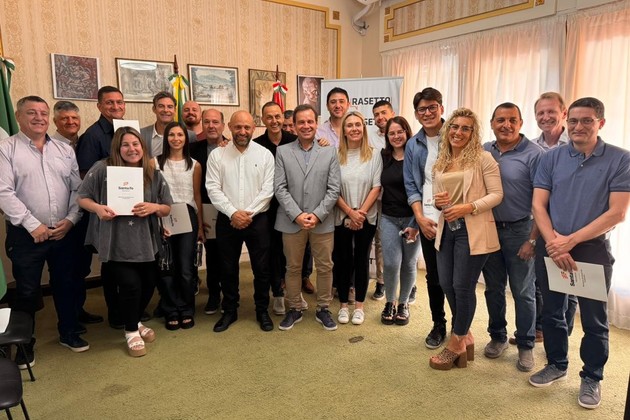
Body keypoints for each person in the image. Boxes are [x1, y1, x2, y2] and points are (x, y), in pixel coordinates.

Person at [529, 97, 630, 410]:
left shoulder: (620, 159)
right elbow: (538, 205)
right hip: (552, 244)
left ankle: (592, 376)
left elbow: (617, 213)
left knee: (594, 319)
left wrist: (569, 242)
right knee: (552, 312)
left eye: (587, 120)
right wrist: (554, 243)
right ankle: (557, 364)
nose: (578, 127)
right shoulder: (551, 158)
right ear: (566, 121)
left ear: (600, 123)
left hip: (590, 248)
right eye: (573, 121)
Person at [0, 96, 87, 365]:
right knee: (27, 291)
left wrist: (71, 219)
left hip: (63, 231)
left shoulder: (64, 149)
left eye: (43, 113)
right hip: (26, 235)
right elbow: (3, 192)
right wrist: (32, 224)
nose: (38, 118)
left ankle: (69, 333)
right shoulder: (6, 149)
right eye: (31, 113)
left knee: (66, 284)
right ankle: (25, 345)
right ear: (18, 116)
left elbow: (77, 189)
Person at [78, 126, 172, 357]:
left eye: (135, 144)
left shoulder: (152, 172)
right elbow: (82, 197)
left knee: (148, 285)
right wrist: (98, 208)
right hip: (115, 240)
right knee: (130, 285)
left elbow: (166, 207)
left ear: (143, 146)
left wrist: (154, 207)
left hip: (146, 240)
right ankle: (131, 331)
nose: (132, 149)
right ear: (117, 148)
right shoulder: (103, 168)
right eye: (125, 145)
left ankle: (135, 320)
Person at [429, 107, 503, 370]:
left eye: (465, 128)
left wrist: (468, 207)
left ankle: (457, 340)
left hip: (474, 230)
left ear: (473, 133)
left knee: (462, 286)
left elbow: (497, 195)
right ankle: (466, 334)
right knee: (446, 284)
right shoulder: (442, 161)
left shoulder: (483, 158)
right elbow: (438, 199)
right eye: (454, 126)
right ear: (447, 129)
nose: (458, 132)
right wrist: (438, 203)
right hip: (447, 229)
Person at [481, 103, 543, 372]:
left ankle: (526, 344)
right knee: (493, 288)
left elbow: (543, 202)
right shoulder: (484, 150)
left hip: (521, 230)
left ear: (520, 123)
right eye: (500, 120)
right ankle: (498, 336)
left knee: (523, 291)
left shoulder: (535, 154)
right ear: (492, 123)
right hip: (489, 228)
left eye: (512, 120)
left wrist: (533, 239)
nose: (506, 125)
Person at [206, 111, 275, 333]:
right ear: (229, 126)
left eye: (246, 127)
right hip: (227, 220)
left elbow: (268, 190)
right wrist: (233, 213)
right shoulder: (217, 155)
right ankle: (229, 310)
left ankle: (262, 310)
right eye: (238, 127)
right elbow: (212, 188)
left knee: (261, 268)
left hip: (258, 219)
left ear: (254, 128)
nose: (242, 131)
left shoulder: (265, 155)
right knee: (227, 268)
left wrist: (247, 214)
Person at [275, 104, 341, 331]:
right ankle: (294, 308)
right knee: (293, 267)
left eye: (310, 121)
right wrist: (297, 215)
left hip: (322, 221)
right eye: (301, 122)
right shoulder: (283, 152)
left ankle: (323, 308)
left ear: (316, 124)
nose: (306, 126)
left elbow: (334, 188)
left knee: (325, 267)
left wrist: (317, 214)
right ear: (294, 125)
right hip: (291, 221)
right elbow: (280, 188)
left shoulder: (329, 152)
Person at [253, 102, 314, 317]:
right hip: (268, 208)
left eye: (277, 116)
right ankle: (278, 293)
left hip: (295, 208)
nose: (274, 121)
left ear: (283, 117)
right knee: (273, 252)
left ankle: (295, 294)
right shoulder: (256, 145)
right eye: (269, 117)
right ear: (263, 120)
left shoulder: (294, 141)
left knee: (296, 254)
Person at [526, 92, 576, 344]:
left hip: (570, 226)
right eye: (540, 113)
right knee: (539, 281)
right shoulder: (533, 147)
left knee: (569, 284)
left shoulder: (577, 144)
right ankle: (540, 329)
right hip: (540, 222)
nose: (545, 117)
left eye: (551, 112)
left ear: (563, 113)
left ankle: (561, 337)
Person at [75, 86, 127, 329]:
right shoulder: (92, 135)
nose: (116, 107)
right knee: (110, 263)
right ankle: (116, 313)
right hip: (107, 210)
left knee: (126, 261)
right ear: (99, 106)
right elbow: (86, 176)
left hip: (128, 209)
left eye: (119, 102)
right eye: (109, 103)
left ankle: (129, 308)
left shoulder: (127, 130)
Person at [403, 87, 448, 348]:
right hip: (428, 220)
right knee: (434, 276)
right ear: (417, 114)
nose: (428, 113)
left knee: (457, 278)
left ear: (441, 108)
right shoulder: (413, 144)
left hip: (456, 218)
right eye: (422, 109)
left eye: (432, 107)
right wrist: (419, 219)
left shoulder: (456, 135)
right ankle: (438, 324)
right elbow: (412, 184)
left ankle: (462, 327)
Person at [52, 100, 104, 326]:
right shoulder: (49, 147)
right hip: (61, 217)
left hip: (83, 216)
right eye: (64, 118)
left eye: (74, 118)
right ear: (55, 121)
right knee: (65, 271)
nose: (70, 122)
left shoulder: (84, 142)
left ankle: (78, 310)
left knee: (81, 267)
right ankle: (68, 319)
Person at [333, 111, 382, 325]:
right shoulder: (335, 156)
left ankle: (359, 306)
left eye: (358, 125)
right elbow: (332, 189)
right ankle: (344, 305)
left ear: (363, 128)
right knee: (343, 261)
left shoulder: (374, 155)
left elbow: (376, 186)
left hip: (366, 217)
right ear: (343, 130)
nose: (354, 129)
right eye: (349, 125)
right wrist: (350, 212)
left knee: (362, 260)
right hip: (341, 215)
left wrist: (360, 213)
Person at [155, 122, 204, 330]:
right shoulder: (155, 163)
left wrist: (200, 226)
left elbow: (197, 195)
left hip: (187, 216)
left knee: (185, 267)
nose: (176, 139)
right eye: (172, 135)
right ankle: (170, 309)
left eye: (180, 135)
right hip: (163, 215)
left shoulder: (194, 165)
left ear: (186, 138)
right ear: (166, 138)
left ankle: (186, 308)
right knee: (167, 265)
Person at [379, 116, 421, 325]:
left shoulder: (416, 156)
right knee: (391, 263)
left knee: (409, 263)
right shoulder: (383, 156)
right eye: (392, 133)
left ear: (407, 132)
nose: (396, 136)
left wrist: (417, 222)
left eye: (400, 132)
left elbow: (423, 189)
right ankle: (390, 302)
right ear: (387, 136)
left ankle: (403, 303)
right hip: (388, 217)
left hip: (413, 218)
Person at [190, 109, 228, 315]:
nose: (211, 126)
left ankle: (229, 294)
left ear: (223, 125)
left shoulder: (233, 146)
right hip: (205, 207)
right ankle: (214, 294)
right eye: (207, 122)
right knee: (212, 253)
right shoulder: (192, 149)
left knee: (227, 254)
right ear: (202, 125)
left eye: (215, 122)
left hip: (230, 208)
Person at [369, 100, 396, 301]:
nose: (380, 117)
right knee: (379, 242)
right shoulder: (370, 137)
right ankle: (381, 281)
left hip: (399, 197)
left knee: (405, 242)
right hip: (377, 198)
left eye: (384, 112)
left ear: (392, 113)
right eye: (377, 114)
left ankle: (409, 284)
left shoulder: (401, 133)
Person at [140, 91, 196, 158]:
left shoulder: (190, 136)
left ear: (175, 110)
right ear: (154, 109)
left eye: (170, 107)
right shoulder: (141, 134)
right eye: (161, 106)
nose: (166, 110)